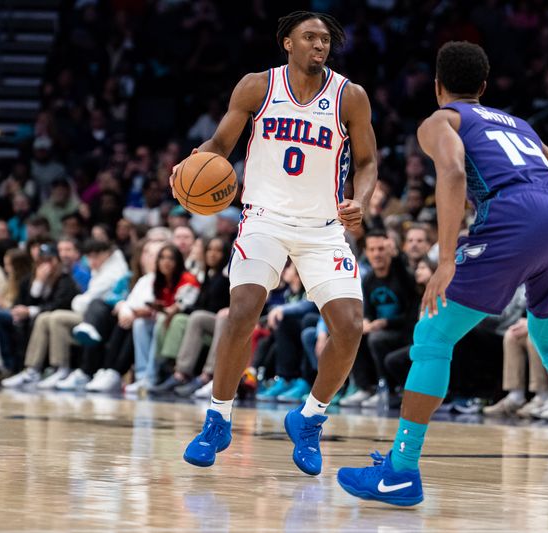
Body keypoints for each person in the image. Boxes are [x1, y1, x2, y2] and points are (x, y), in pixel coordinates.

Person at [336, 42, 548, 513]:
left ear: (438, 87)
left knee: (433, 334)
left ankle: (401, 469)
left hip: (515, 216)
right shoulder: (522, 126)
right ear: (485, 88)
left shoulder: (442, 120)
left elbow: (452, 173)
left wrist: (447, 257)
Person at [179, 11, 377, 473]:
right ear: (286, 42)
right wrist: (190, 166)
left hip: (323, 227)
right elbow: (220, 143)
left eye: (325, 39)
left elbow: (367, 160)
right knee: (243, 309)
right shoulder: (257, 86)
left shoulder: (350, 96)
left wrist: (361, 200)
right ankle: (218, 418)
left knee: (349, 326)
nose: (319, 45)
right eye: (309, 37)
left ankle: (308, 419)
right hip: (264, 218)